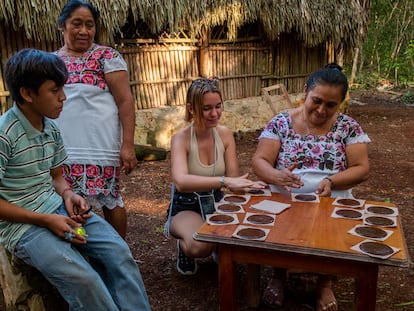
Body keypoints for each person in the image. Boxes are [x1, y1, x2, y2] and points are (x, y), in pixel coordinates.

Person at [0, 48, 151, 311]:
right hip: (24, 228)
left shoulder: (51, 127)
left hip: (61, 214)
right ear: (27, 94)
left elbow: (57, 177)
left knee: (116, 250)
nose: (63, 97)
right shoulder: (5, 135)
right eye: (54, 90)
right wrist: (47, 220)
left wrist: (69, 196)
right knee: (83, 278)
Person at [252, 63, 370, 311]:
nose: (321, 110)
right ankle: (279, 275)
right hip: (286, 195)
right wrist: (276, 175)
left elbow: (361, 168)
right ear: (305, 91)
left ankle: (325, 282)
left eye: (331, 105)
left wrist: (331, 181)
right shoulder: (281, 122)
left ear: (340, 102)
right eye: (316, 100)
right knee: (278, 220)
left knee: (332, 226)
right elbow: (259, 161)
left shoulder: (348, 127)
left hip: (331, 196)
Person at [164, 77, 265, 275]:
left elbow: (234, 181)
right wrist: (224, 181)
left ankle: (220, 244)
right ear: (191, 109)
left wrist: (250, 185)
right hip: (186, 205)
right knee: (201, 246)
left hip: (217, 203)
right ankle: (187, 248)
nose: (214, 113)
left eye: (218, 106)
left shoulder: (225, 134)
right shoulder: (180, 139)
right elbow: (181, 182)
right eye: (206, 108)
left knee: (250, 236)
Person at [55, 0, 137, 238]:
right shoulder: (51, 62)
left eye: (89, 25)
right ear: (62, 25)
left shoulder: (107, 56)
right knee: (69, 201)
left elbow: (125, 102)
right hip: (64, 148)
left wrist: (128, 145)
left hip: (100, 146)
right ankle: (82, 251)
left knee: (111, 199)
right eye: (76, 24)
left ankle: (120, 253)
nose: (84, 31)